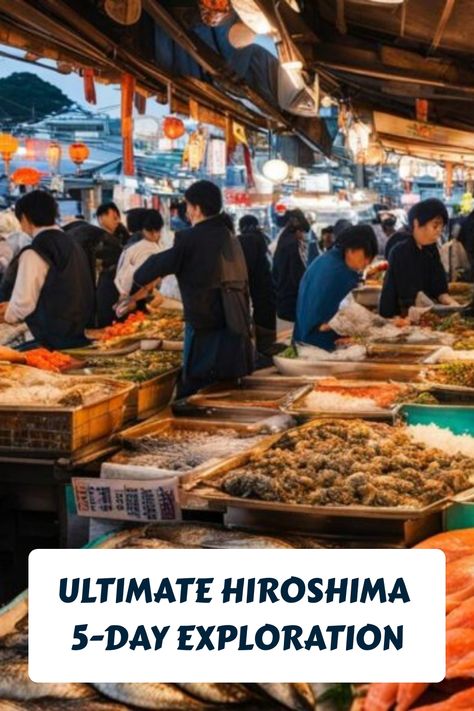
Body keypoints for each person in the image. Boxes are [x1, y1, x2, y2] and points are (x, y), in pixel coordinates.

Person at [128, 180, 254, 396]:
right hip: (235, 325)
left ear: (196, 208)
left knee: (196, 392)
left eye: (187, 206)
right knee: (226, 390)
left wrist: (138, 282)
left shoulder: (191, 237)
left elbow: (157, 265)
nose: (187, 212)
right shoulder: (229, 236)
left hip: (206, 327)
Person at [0, 190, 94, 349]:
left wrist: (7, 314)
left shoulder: (35, 251)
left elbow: (23, 304)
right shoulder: (73, 244)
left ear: (24, 218)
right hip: (78, 336)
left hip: (51, 342)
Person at [293, 225, 377, 351]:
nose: (367, 264)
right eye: (366, 257)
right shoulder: (340, 272)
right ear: (351, 250)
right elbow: (327, 324)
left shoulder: (327, 259)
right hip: (318, 347)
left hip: (301, 341)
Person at [380, 198, 459, 318]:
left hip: (426, 313)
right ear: (416, 223)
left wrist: (454, 305)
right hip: (399, 318)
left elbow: (439, 287)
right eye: (435, 225)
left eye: (441, 227)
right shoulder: (400, 250)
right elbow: (405, 298)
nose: (439, 231)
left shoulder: (431, 248)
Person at [237, 215, 276, 356]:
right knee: (266, 323)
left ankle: (264, 354)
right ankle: (266, 352)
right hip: (267, 291)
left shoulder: (246, 241)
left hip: (259, 292)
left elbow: (247, 269)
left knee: (263, 328)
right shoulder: (263, 238)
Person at [272, 209, 310, 323]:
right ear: (297, 231)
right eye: (302, 232)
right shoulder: (293, 244)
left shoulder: (283, 240)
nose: (303, 237)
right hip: (291, 300)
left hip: (282, 298)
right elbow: (297, 274)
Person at [115, 210, 164, 299]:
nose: (157, 235)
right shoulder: (143, 246)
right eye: (152, 232)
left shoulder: (132, 242)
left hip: (126, 294)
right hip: (137, 297)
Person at [95, 201, 130, 327]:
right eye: (113, 217)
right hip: (105, 284)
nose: (117, 221)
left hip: (122, 284)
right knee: (107, 317)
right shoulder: (93, 237)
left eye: (118, 217)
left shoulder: (122, 234)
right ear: (101, 218)